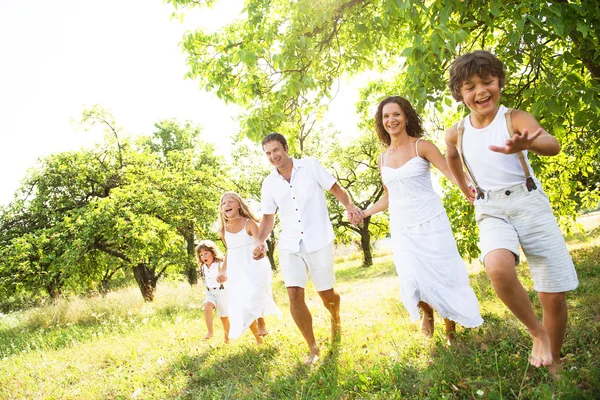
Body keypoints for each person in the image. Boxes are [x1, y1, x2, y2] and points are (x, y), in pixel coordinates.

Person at [444, 50, 578, 373]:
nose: (480, 91)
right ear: (460, 94)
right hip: (490, 207)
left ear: (499, 82)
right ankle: (537, 332)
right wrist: (466, 190)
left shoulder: (514, 118)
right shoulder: (457, 132)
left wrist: (528, 144)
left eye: (487, 81)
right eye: (470, 86)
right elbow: (451, 157)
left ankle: (554, 361)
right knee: (498, 267)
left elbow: (552, 144)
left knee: (553, 296)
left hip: (528, 202)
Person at [354, 96, 483, 340]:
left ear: (406, 117)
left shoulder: (421, 146)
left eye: (396, 114)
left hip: (431, 220)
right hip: (403, 225)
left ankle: (450, 327)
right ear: (381, 123)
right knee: (411, 276)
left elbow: (449, 170)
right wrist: (364, 212)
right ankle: (427, 313)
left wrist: (469, 190)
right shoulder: (382, 159)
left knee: (442, 273)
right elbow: (389, 197)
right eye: (386, 116)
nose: (391, 120)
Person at [252, 132, 362, 365]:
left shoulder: (310, 166)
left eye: (276, 150)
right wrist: (259, 241)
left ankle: (336, 317)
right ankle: (312, 347)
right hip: (290, 244)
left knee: (326, 295)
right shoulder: (269, 183)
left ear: (286, 147)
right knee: (294, 294)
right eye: (268, 153)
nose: (273, 156)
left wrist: (350, 206)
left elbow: (336, 189)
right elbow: (268, 219)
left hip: (319, 239)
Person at [216, 191, 281, 344]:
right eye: (224, 203)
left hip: (254, 263)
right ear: (221, 209)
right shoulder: (224, 231)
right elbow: (229, 251)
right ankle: (257, 336)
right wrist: (223, 270)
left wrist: (260, 249)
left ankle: (261, 321)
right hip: (236, 267)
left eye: (231, 201)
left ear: (239, 205)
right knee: (244, 301)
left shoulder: (248, 223)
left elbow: (260, 241)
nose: (227, 205)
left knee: (256, 292)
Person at [196, 240, 230, 343]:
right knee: (207, 307)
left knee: (223, 317)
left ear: (213, 252)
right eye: (201, 255)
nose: (203, 256)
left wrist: (224, 278)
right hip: (210, 292)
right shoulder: (203, 267)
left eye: (206, 253)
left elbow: (228, 274)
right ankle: (210, 332)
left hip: (221, 291)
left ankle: (226, 338)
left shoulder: (220, 263)